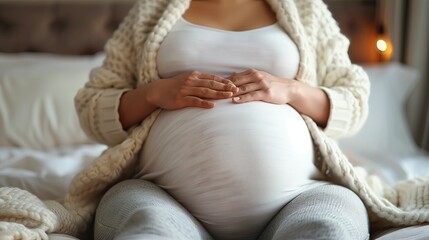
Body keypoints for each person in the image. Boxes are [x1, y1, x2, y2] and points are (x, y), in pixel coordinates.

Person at [78, 0, 370, 239]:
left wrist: (293, 90)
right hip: (161, 197)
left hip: (300, 197)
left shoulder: (305, 8)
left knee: (329, 232)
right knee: (147, 232)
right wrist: (154, 93)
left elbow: (354, 99)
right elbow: (92, 103)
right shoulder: (152, 10)